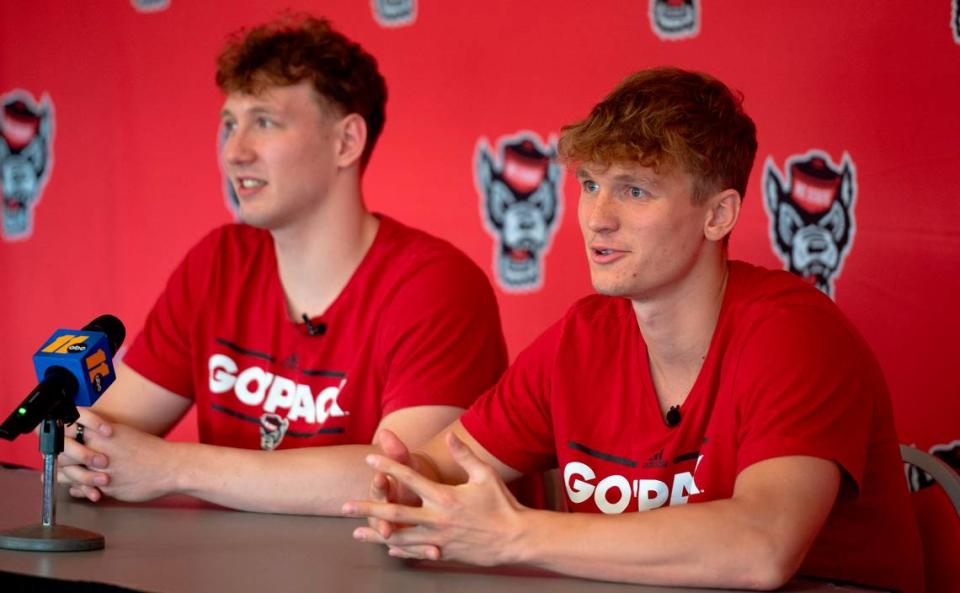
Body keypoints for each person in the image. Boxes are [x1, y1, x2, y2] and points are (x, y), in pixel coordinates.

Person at [343, 67, 924, 593]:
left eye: (635, 190)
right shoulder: (583, 337)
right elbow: (448, 464)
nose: (598, 217)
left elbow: (761, 547)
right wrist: (409, 485)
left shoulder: (796, 334)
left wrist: (515, 534)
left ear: (717, 215)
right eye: (591, 184)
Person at [55, 14, 510, 516]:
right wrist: (74, 443)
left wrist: (172, 467)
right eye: (229, 123)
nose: (234, 151)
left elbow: (403, 478)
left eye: (264, 122)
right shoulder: (218, 262)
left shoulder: (436, 284)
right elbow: (105, 426)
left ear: (346, 142)